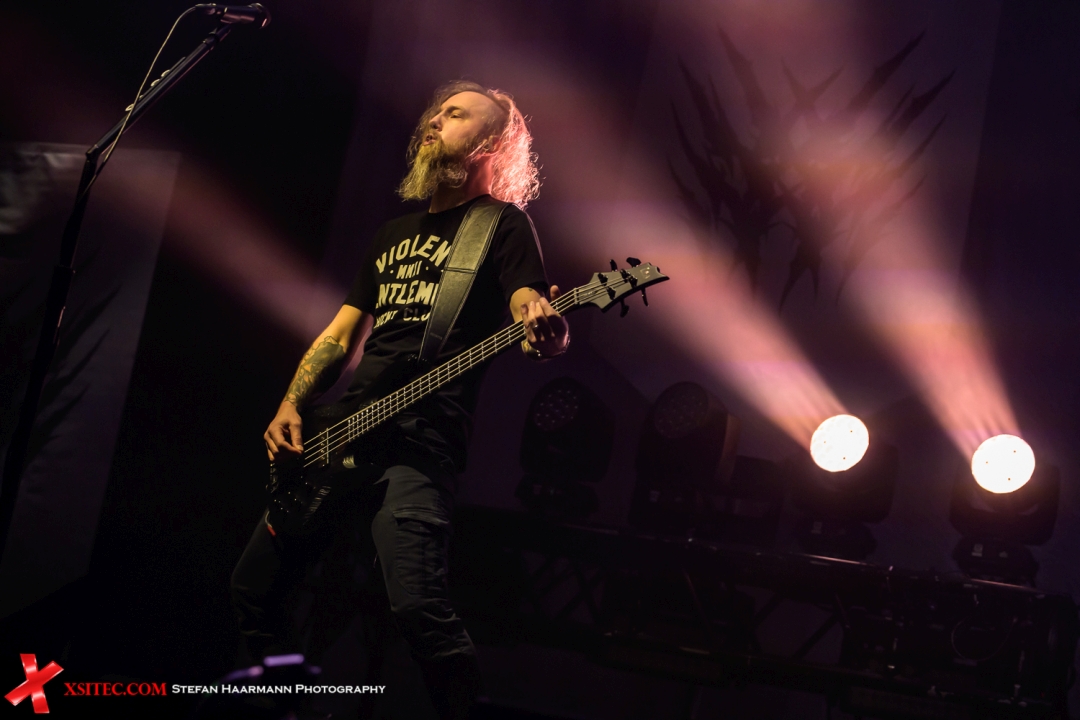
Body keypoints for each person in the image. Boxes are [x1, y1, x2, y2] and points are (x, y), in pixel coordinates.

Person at [230, 81, 568, 719]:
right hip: (340, 433)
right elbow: (339, 337)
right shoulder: (394, 233)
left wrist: (543, 327)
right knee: (254, 588)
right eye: (438, 110)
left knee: (416, 606)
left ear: (491, 143)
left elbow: (528, 300)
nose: (435, 119)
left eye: (456, 114)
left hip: (421, 443)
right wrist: (290, 404)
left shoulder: (502, 225)